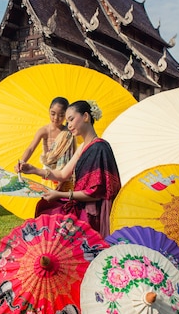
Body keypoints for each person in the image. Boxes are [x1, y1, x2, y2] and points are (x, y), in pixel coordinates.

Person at [16, 100, 121, 237]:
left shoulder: (99, 147)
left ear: (85, 117)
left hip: (93, 211)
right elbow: (62, 174)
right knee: (44, 207)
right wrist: (34, 170)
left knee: (51, 216)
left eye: (71, 119)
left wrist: (60, 195)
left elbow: (94, 192)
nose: (69, 125)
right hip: (81, 203)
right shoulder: (84, 146)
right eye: (68, 122)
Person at [19, 97, 76, 191]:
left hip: (65, 176)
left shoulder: (69, 132)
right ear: (49, 111)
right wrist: (22, 162)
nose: (56, 118)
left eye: (61, 115)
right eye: (53, 114)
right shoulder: (44, 131)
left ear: (66, 115)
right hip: (48, 174)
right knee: (48, 200)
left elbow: (72, 156)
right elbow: (31, 148)